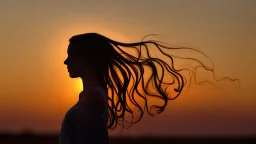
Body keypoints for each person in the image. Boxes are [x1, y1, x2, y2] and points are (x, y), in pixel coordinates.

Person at [58, 33, 238, 144]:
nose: (66, 61)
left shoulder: (93, 99)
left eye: (71, 55)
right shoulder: (90, 96)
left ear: (88, 60)